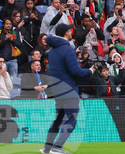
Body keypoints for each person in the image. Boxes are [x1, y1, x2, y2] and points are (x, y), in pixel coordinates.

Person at [43, 23, 94, 154]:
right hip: (68, 89)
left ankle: (47, 148)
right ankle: (57, 148)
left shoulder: (53, 49)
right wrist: (89, 70)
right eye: (70, 31)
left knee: (59, 119)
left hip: (57, 89)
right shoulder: (67, 49)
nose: (72, 32)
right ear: (66, 33)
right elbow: (76, 72)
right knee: (71, 119)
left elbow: (63, 67)